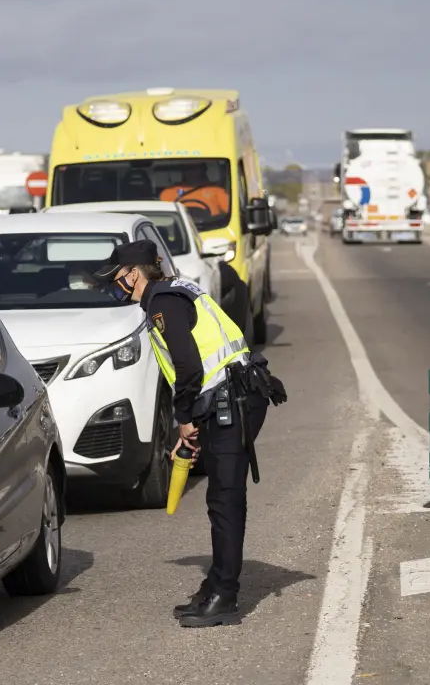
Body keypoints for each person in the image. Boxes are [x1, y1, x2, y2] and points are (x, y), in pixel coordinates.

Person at [94, 239, 286, 628]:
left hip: (233, 401)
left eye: (117, 278)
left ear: (134, 274)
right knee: (221, 498)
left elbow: (188, 367)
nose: (115, 285)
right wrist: (192, 423)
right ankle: (217, 583)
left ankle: (224, 597)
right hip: (234, 396)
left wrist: (184, 418)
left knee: (225, 500)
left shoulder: (163, 303)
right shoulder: (176, 290)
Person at [159, 163, 230, 221]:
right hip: (179, 231)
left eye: (194, 168)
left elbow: (231, 213)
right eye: (187, 169)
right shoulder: (168, 192)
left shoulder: (216, 190)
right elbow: (162, 218)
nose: (191, 171)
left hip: (213, 228)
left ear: (203, 170)